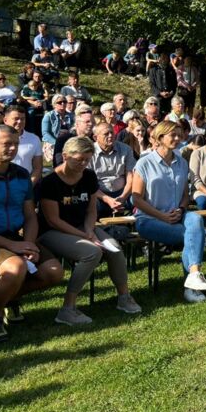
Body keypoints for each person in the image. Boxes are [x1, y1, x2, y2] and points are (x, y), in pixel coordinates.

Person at [38, 136, 141, 325]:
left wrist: (89, 231)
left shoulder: (89, 176)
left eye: (87, 160)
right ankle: (67, 308)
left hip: (83, 227)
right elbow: (53, 220)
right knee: (91, 252)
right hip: (51, 232)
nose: (83, 164)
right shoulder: (50, 182)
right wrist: (85, 236)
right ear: (65, 156)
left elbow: (91, 209)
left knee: (115, 250)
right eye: (79, 159)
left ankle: (124, 297)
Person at [0, 125, 63, 342]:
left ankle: (6, 298)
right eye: (6, 143)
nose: (13, 148)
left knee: (54, 271)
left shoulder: (21, 174)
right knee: (15, 267)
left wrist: (29, 244)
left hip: (16, 236)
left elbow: (30, 215)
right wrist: (13, 246)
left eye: (16, 144)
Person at [132, 120, 206, 303]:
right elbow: (136, 199)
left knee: (194, 219)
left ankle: (193, 276)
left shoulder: (182, 163)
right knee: (193, 235)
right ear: (160, 137)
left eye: (179, 135)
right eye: (172, 135)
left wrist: (182, 209)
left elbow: (186, 195)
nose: (177, 138)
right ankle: (192, 285)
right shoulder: (145, 163)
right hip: (149, 219)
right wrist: (162, 216)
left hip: (177, 216)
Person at [90, 122, 136, 217]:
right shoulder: (89, 153)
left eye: (112, 132)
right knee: (92, 204)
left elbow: (131, 177)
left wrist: (123, 197)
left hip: (123, 192)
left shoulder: (125, 150)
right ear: (95, 137)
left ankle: (135, 226)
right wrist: (107, 199)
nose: (110, 136)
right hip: (99, 194)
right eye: (106, 134)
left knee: (138, 200)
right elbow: (88, 183)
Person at [5, 105, 43, 187]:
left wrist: (28, 187)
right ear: (5, 120)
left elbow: (37, 168)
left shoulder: (34, 139)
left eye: (22, 119)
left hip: (25, 184)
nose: (20, 121)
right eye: (16, 119)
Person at [41, 94, 72, 164]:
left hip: (69, 141)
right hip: (53, 142)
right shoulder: (48, 116)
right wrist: (57, 143)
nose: (63, 103)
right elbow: (45, 133)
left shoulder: (71, 115)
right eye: (59, 102)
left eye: (64, 101)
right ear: (54, 104)